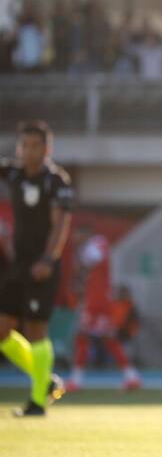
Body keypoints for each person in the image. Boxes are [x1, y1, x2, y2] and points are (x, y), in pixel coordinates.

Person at [0, 121, 73, 416]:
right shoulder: (14, 173)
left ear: (47, 149)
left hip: (42, 267)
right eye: (24, 145)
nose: (29, 151)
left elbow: (61, 224)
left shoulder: (56, 182)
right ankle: (46, 380)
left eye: (35, 146)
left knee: (35, 331)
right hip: (18, 266)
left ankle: (38, 403)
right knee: (2, 331)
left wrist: (49, 259)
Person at [65, 226, 141, 392]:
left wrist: (79, 251)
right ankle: (132, 377)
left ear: (86, 233)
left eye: (78, 234)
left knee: (82, 337)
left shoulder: (96, 243)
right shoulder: (95, 245)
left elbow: (89, 260)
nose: (75, 238)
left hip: (96, 301)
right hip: (102, 299)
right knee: (110, 339)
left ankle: (76, 381)